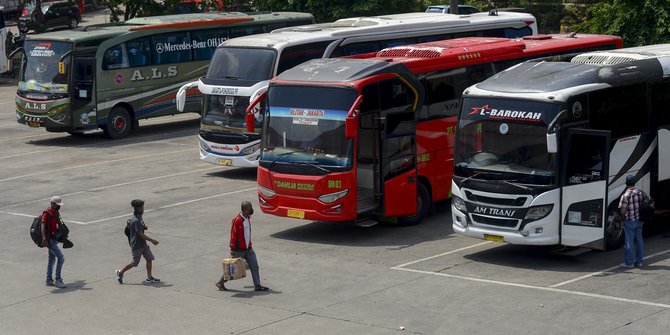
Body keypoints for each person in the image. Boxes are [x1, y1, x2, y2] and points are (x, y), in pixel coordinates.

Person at [216, 201, 269, 292]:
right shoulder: (237, 220)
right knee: (232, 269)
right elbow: (233, 234)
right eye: (249, 208)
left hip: (248, 249)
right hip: (238, 250)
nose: (251, 210)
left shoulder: (248, 217)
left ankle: (257, 285)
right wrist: (232, 249)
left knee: (254, 266)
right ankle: (220, 282)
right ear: (244, 210)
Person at [116, 199, 160, 284]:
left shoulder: (139, 217)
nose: (143, 208)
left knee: (149, 258)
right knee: (134, 263)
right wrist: (152, 240)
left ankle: (149, 277)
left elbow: (141, 226)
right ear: (138, 208)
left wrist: (144, 226)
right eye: (142, 207)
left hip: (143, 244)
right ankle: (120, 273)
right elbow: (140, 234)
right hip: (137, 245)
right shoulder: (135, 220)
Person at [619, 175, 645, 268]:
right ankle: (639, 262)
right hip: (639, 220)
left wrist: (622, 218)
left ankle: (629, 263)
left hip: (629, 221)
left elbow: (623, 210)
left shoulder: (625, 195)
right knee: (639, 240)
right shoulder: (640, 192)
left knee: (629, 242)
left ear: (626, 184)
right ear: (634, 182)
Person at [41, 196, 67, 289]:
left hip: (54, 239)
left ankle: (49, 280)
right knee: (61, 258)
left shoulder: (56, 212)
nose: (59, 206)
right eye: (57, 205)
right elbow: (43, 225)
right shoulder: (46, 213)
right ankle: (58, 279)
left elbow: (58, 224)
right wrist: (44, 238)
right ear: (52, 203)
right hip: (49, 240)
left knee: (51, 259)